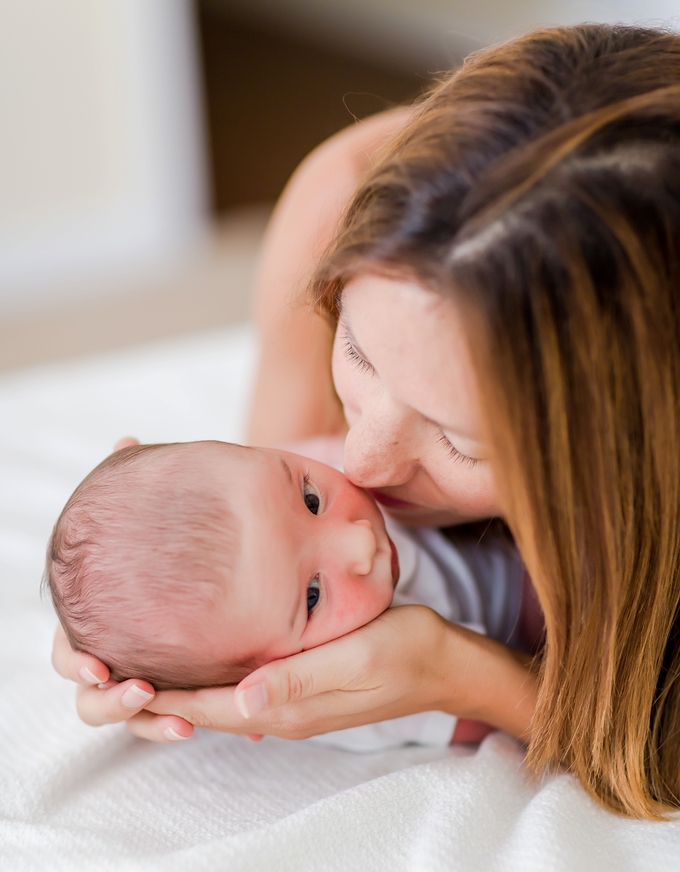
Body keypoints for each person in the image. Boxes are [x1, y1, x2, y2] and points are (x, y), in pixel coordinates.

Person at [52, 23, 680, 818]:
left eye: (463, 440)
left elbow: (655, 755)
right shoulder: (338, 202)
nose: (364, 463)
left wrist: (456, 674)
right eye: (357, 350)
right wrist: (138, 637)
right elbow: (240, 542)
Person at [47, 439, 524, 749]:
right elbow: (480, 721)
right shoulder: (359, 699)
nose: (360, 542)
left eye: (311, 500)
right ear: (270, 674)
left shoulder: (334, 454)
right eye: (313, 596)